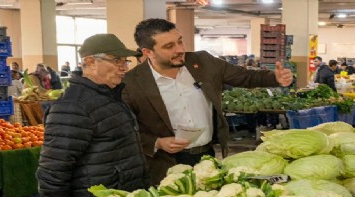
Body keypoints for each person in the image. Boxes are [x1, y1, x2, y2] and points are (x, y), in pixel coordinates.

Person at [122, 18, 293, 186]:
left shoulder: (203, 62)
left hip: (206, 157)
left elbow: (245, 77)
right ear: (148, 52)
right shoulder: (131, 83)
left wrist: (274, 77)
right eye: (169, 46)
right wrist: (156, 142)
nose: (180, 49)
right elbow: (125, 129)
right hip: (164, 164)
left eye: (180, 42)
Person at [37, 33, 148, 197]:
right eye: (116, 61)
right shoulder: (73, 107)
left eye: (125, 61)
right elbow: (53, 170)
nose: (124, 67)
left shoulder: (111, 97)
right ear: (90, 62)